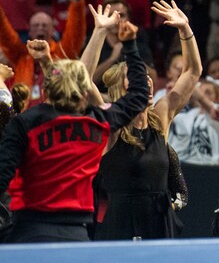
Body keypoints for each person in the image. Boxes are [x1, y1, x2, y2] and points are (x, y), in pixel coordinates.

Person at [0, 19, 149, 243]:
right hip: (77, 234)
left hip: (30, 232)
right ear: (84, 91)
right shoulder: (99, 120)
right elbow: (138, 95)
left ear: (46, 88)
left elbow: (2, 175)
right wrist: (130, 45)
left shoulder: (26, 123)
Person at [84, 1, 201, 240]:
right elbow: (82, 79)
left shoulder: (160, 117)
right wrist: (100, 32)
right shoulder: (112, 123)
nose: (146, 81)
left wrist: (185, 30)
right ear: (121, 88)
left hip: (160, 224)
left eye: (147, 77)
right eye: (137, 77)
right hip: (122, 224)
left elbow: (191, 72)